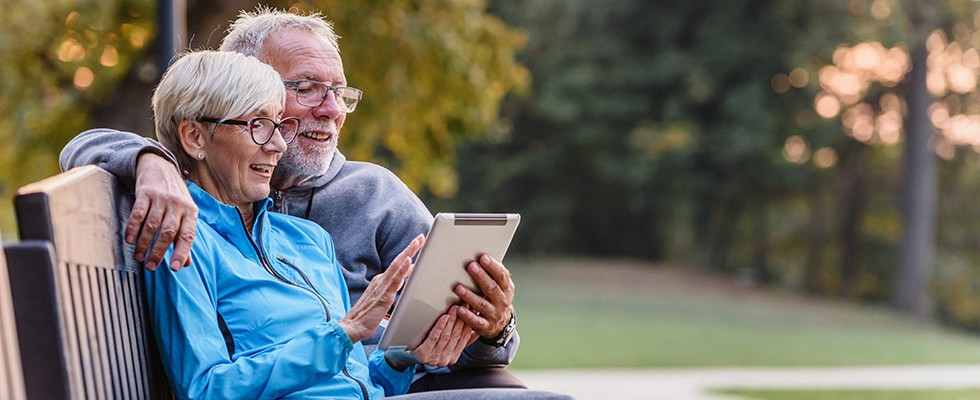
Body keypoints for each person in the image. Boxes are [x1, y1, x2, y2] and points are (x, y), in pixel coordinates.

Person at [61, 7, 523, 392]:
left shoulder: (324, 228)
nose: (331, 109)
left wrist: (452, 344)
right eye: (305, 89)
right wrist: (151, 160)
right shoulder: (183, 229)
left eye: (339, 93)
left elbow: (358, 374)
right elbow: (207, 385)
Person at [145, 50, 570, 400]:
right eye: (257, 126)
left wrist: (403, 358)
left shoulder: (306, 240)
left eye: (279, 124)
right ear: (195, 138)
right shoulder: (183, 241)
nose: (276, 143)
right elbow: (205, 390)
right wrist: (344, 332)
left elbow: (355, 381)